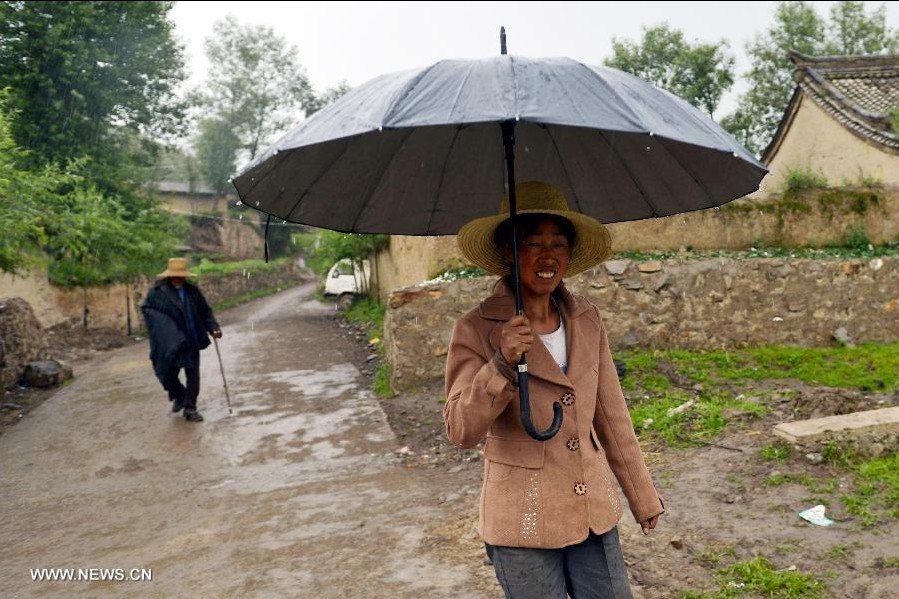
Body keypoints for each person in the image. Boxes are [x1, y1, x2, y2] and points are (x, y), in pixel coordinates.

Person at [444, 181, 663, 598]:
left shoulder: (586, 319)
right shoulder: (476, 328)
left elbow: (612, 415)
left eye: (558, 245)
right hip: (521, 522)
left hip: (592, 512)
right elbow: (460, 430)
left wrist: (642, 494)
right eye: (533, 244)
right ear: (509, 253)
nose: (548, 256)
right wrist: (501, 363)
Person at [141, 257, 222, 423]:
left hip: (191, 339)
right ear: (169, 276)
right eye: (175, 275)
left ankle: (190, 408)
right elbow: (147, 310)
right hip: (170, 343)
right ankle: (179, 394)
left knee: (193, 375)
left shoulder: (193, 291)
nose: (178, 278)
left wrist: (213, 327)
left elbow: (205, 312)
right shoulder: (157, 293)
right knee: (166, 374)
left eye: (181, 275)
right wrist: (166, 329)